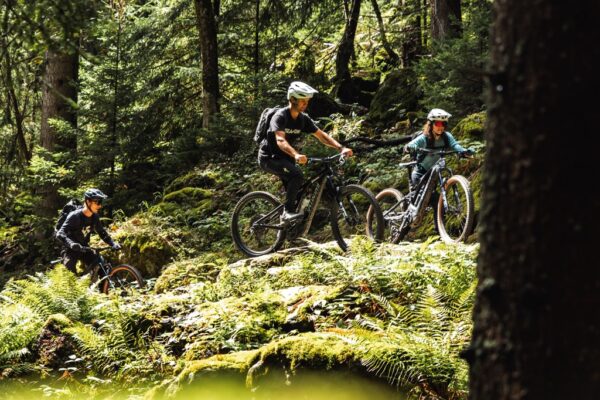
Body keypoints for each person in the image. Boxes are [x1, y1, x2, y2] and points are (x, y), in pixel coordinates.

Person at [258, 81, 353, 222]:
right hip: (269, 158)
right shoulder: (280, 116)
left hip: (286, 158)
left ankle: (292, 228)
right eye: (302, 101)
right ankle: (287, 213)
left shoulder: (303, 119)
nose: (305, 104)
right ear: (292, 99)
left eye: (307, 101)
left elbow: (322, 136)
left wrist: (341, 148)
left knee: (300, 189)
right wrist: (296, 154)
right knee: (297, 175)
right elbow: (280, 140)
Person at [56, 188, 121, 274]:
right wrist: (71, 244)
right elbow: (60, 233)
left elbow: (102, 233)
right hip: (70, 249)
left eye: (101, 202)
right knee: (69, 273)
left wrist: (113, 243)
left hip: (84, 247)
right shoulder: (75, 216)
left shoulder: (95, 217)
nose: (100, 206)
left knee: (102, 268)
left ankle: (103, 287)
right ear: (88, 202)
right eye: (97, 202)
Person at [404, 108, 473, 186]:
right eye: (438, 124)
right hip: (420, 173)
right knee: (420, 195)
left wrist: (464, 151)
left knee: (434, 197)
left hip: (433, 173)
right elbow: (411, 144)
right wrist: (411, 147)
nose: (441, 127)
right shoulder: (425, 137)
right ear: (430, 124)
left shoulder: (447, 136)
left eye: (443, 124)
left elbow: (455, 145)